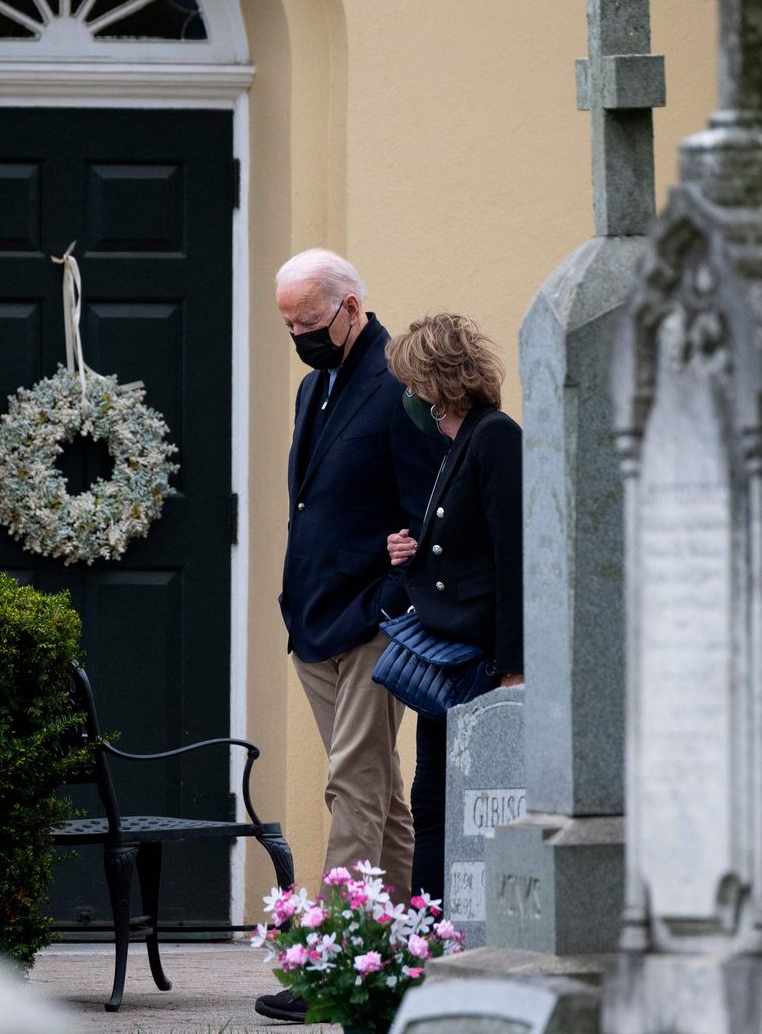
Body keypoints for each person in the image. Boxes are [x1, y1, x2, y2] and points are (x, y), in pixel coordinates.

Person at [257, 250, 447, 1025]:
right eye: (288, 326)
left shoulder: (400, 386)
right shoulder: (314, 385)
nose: (299, 336)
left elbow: (427, 504)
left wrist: (391, 599)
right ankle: (400, 955)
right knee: (383, 798)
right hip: (313, 620)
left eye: (308, 323)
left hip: (371, 623)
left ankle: (333, 964)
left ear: (350, 308)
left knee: (353, 785)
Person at [383, 313, 524, 904]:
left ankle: (448, 931)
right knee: (431, 799)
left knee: (463, 802)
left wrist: (516, 672)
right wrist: (410, 554)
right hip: (449, 657)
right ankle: (427, 932)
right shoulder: (455, 440)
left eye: (414, 382)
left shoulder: (494, 436)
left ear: (438, 378)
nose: (409, 396)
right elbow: (458, 548)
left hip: (481, 664)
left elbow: (514, 555)